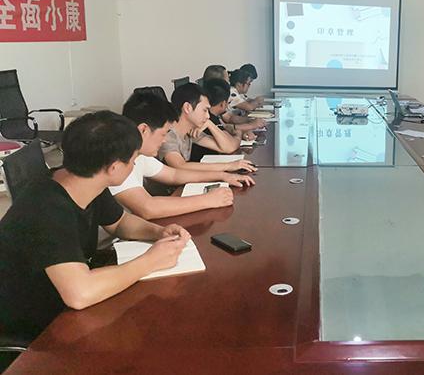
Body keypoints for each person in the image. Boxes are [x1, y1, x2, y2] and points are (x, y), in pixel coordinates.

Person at [0, 111, 191, 345]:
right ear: (114, 168)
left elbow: (119, 222)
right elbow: (79, 294)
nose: (134, 165)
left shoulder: (84, 179)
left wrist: (157, 232)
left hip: (67, 301)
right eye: (132, 160)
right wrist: (150, 261)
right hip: (37, 327)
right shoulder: (46, 208)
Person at [111, 92, 254, 220]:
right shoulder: (118, 161)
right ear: (144, 130)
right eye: (163, 134)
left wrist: (223, 176)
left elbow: (174, 175)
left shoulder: (140, 156)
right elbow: (147, 208)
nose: (165, 140)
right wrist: (209, 200)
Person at [158, 83, 252, 172]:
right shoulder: (168, 133)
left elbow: (229, 147)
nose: (208, 116)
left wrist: (210, 124)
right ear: (187, 108)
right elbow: (180, 166)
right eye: (204, 110)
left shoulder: (190, 130)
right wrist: (229, 166)